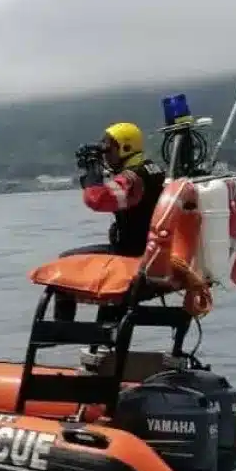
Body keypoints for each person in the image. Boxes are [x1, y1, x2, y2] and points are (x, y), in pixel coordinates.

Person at [52, 121, 167, 322]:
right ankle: (107, 340)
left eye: (109, 149)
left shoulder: (134, 179)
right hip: (148, 251)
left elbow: (96, 199)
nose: (106, 155)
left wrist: (92, 171)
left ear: (126, 147)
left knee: (64, 261)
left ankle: (61, 329)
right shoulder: (151, 170)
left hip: (132, 254)